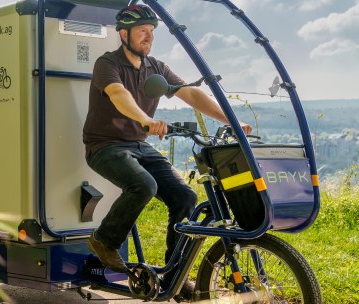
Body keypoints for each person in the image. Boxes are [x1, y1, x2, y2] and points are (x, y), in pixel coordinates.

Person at [83, 4, 252, 280]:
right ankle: (104, 240)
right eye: (142, 31)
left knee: (185, 196)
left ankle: (174, 276)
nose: (148, 37)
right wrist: (144, 120)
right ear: (124, 35)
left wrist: (230, 120)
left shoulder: (156, 69)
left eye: (151, 32)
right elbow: (118, 95)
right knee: (143, 185)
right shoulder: (108, 64)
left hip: (138, 146)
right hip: (105, 146)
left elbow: (193, 95)